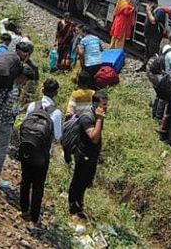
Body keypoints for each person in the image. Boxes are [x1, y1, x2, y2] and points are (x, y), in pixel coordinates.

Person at [0, 41, 36, 188]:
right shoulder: (13, 91)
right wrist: (19, 110)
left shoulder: (0, 83)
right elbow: (8, 111)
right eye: (25, 80)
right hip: (4, 122)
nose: (25, 83)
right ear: (20, 77)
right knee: (3, 149)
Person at [20, 79, 63, 226]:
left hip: (27, 149)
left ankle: (23, 210)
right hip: (42, 155)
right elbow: (57, 136)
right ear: (56, 93)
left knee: (25, 180)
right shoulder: (56, 113)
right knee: (38, 186)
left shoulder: (32, 105)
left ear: (42, 90)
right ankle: (34, 218)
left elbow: (25, 124)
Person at [68, 89, 108, 220]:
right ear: (96, 104)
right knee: (79, 181)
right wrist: (100, 120)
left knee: (86, 182)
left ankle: (79, 205)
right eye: (103, 105)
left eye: (106, 105)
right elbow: (94, 138)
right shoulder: (88, 117)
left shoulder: (96, 116)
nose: (105, 108)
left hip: (92, 155)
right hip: (84, 154)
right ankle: (73, 208)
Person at [140, 0, 167, 70]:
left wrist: (148, 11)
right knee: (147, 52)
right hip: (148, 35)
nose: (148, 5)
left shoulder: (160, 11)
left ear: (153, 3)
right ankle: (145, 66)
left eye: (149, 3)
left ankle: (152, 68)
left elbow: (153, 21)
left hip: (155, 36)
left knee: (152, 52)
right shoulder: (152, 10)